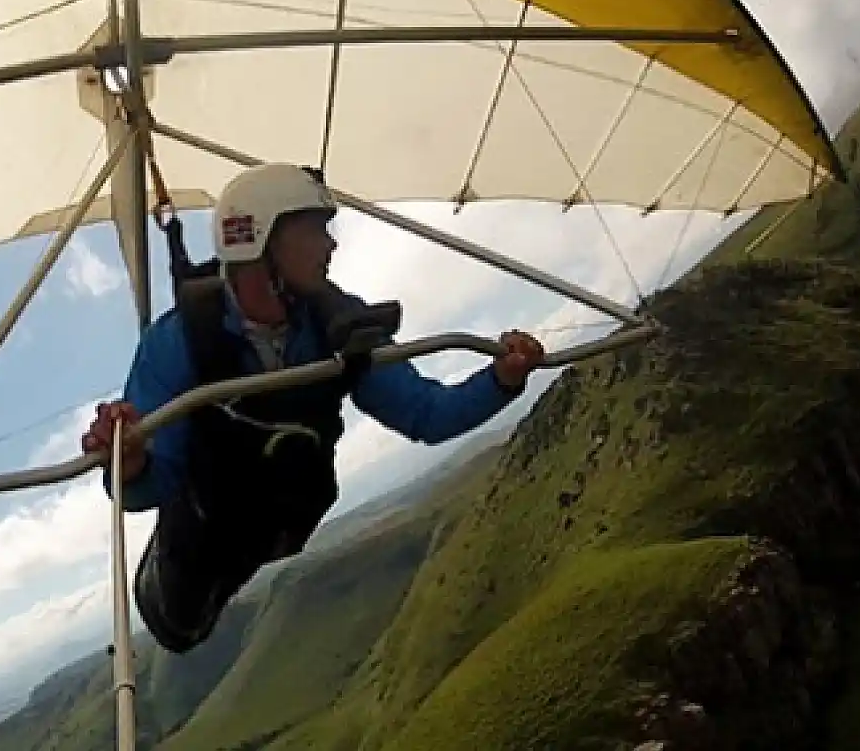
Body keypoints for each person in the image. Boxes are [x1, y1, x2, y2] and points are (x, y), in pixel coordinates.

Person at [81, 162, 545, 654]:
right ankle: (164, 589)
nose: (331, 245)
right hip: (209, 522)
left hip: (283, 519)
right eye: (314, 230)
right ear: (262, 241)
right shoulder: (177, 344)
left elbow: (427, 414)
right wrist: (131, 463)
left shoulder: (337, 326)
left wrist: (501, 379)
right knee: (178, 625)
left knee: (248, 541)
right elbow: (148, 485)